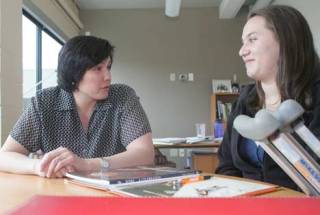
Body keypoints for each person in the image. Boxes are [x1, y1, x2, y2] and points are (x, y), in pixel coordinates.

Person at [0, 35, 155, 178]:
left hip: (112, 195)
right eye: (98, 69)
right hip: (60, 196)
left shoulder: (122, 96)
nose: (108, 76)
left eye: (108, 67)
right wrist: (39, 166)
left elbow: (145, 154)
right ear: (74, 73)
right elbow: (4, 156)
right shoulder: (44, 103)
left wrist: (88, 164)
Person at [215, 5, 320, 190]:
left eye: (252, 40)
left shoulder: (316, 97)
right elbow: (227, 166)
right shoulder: (245, 101)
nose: (242, 51)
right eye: (243, 42)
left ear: (286, 41)